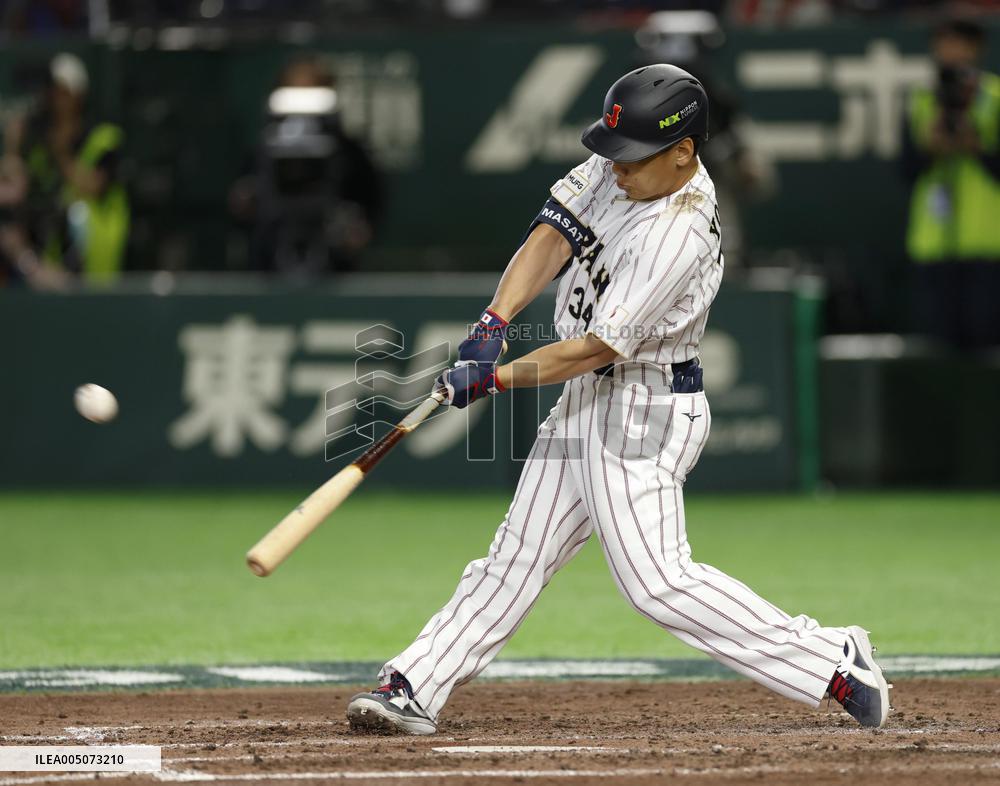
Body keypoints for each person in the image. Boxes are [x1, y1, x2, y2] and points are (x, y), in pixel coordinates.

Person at [346, 65, 890, 736]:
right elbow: (551, 236)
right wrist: (493, 324)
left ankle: (831, 661)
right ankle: (415, 684)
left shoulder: (679, 233)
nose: (616, 169)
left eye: (632, 157)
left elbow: (596, 348)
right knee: (517, 554)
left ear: (684, 151)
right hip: (588, 399)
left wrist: (494, 378)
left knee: (658, 583)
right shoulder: (625, 160)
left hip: (644, 412)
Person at [902, 18, 1000, 350]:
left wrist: (979, 149)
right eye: (944, 42)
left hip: (989, 243)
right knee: (938, 352)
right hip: (935, 244)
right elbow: (906, 170)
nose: (951, 52)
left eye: (960, 43)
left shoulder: (996, 97)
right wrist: (931, 148)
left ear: (977, 49)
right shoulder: (922, 101)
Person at [0, 52, 129, 288]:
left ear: (78, 94)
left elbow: (92, 186)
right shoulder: (36, 140)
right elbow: (14, 185)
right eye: (53, 92)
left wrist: (61, 153)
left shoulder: (103, 137)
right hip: (44, 262)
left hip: (94, 265)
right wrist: (12, 149)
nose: (57, 99)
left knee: (76, 214)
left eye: (63, 92)